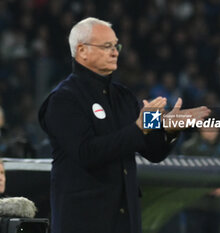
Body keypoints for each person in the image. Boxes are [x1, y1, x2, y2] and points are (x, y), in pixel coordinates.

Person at [38, 17, 210, 233]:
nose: (115, 52)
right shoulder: (63, 100)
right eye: (106, 46)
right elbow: (86, 152)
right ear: (82, 51)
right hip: (83, 221)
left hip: (125, 222)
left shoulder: (124, 97)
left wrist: (170, 128)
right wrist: (139, 128)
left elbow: (153, 150)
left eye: (116, 45)